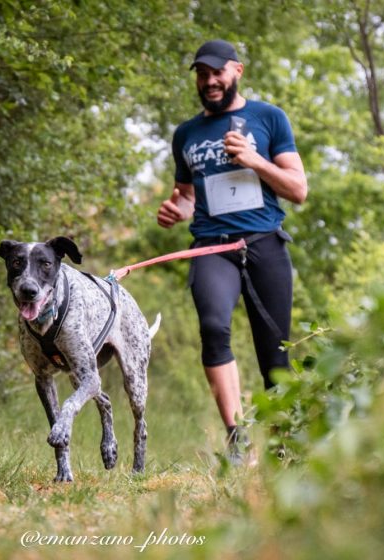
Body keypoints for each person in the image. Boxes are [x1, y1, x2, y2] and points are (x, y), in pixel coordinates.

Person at [156, 39, 307, 463]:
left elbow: (298, 190)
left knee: (274, 351)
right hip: (211, 248)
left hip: (264, 244)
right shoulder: (186, 134)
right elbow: (186, 195)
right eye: (202, 75)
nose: (209, 81)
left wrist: (255, 161)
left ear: (236, 70)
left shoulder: (268, 117)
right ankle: (237, 438)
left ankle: (284, 444)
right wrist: (176, 210)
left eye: (216, 72)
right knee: (213, 326)